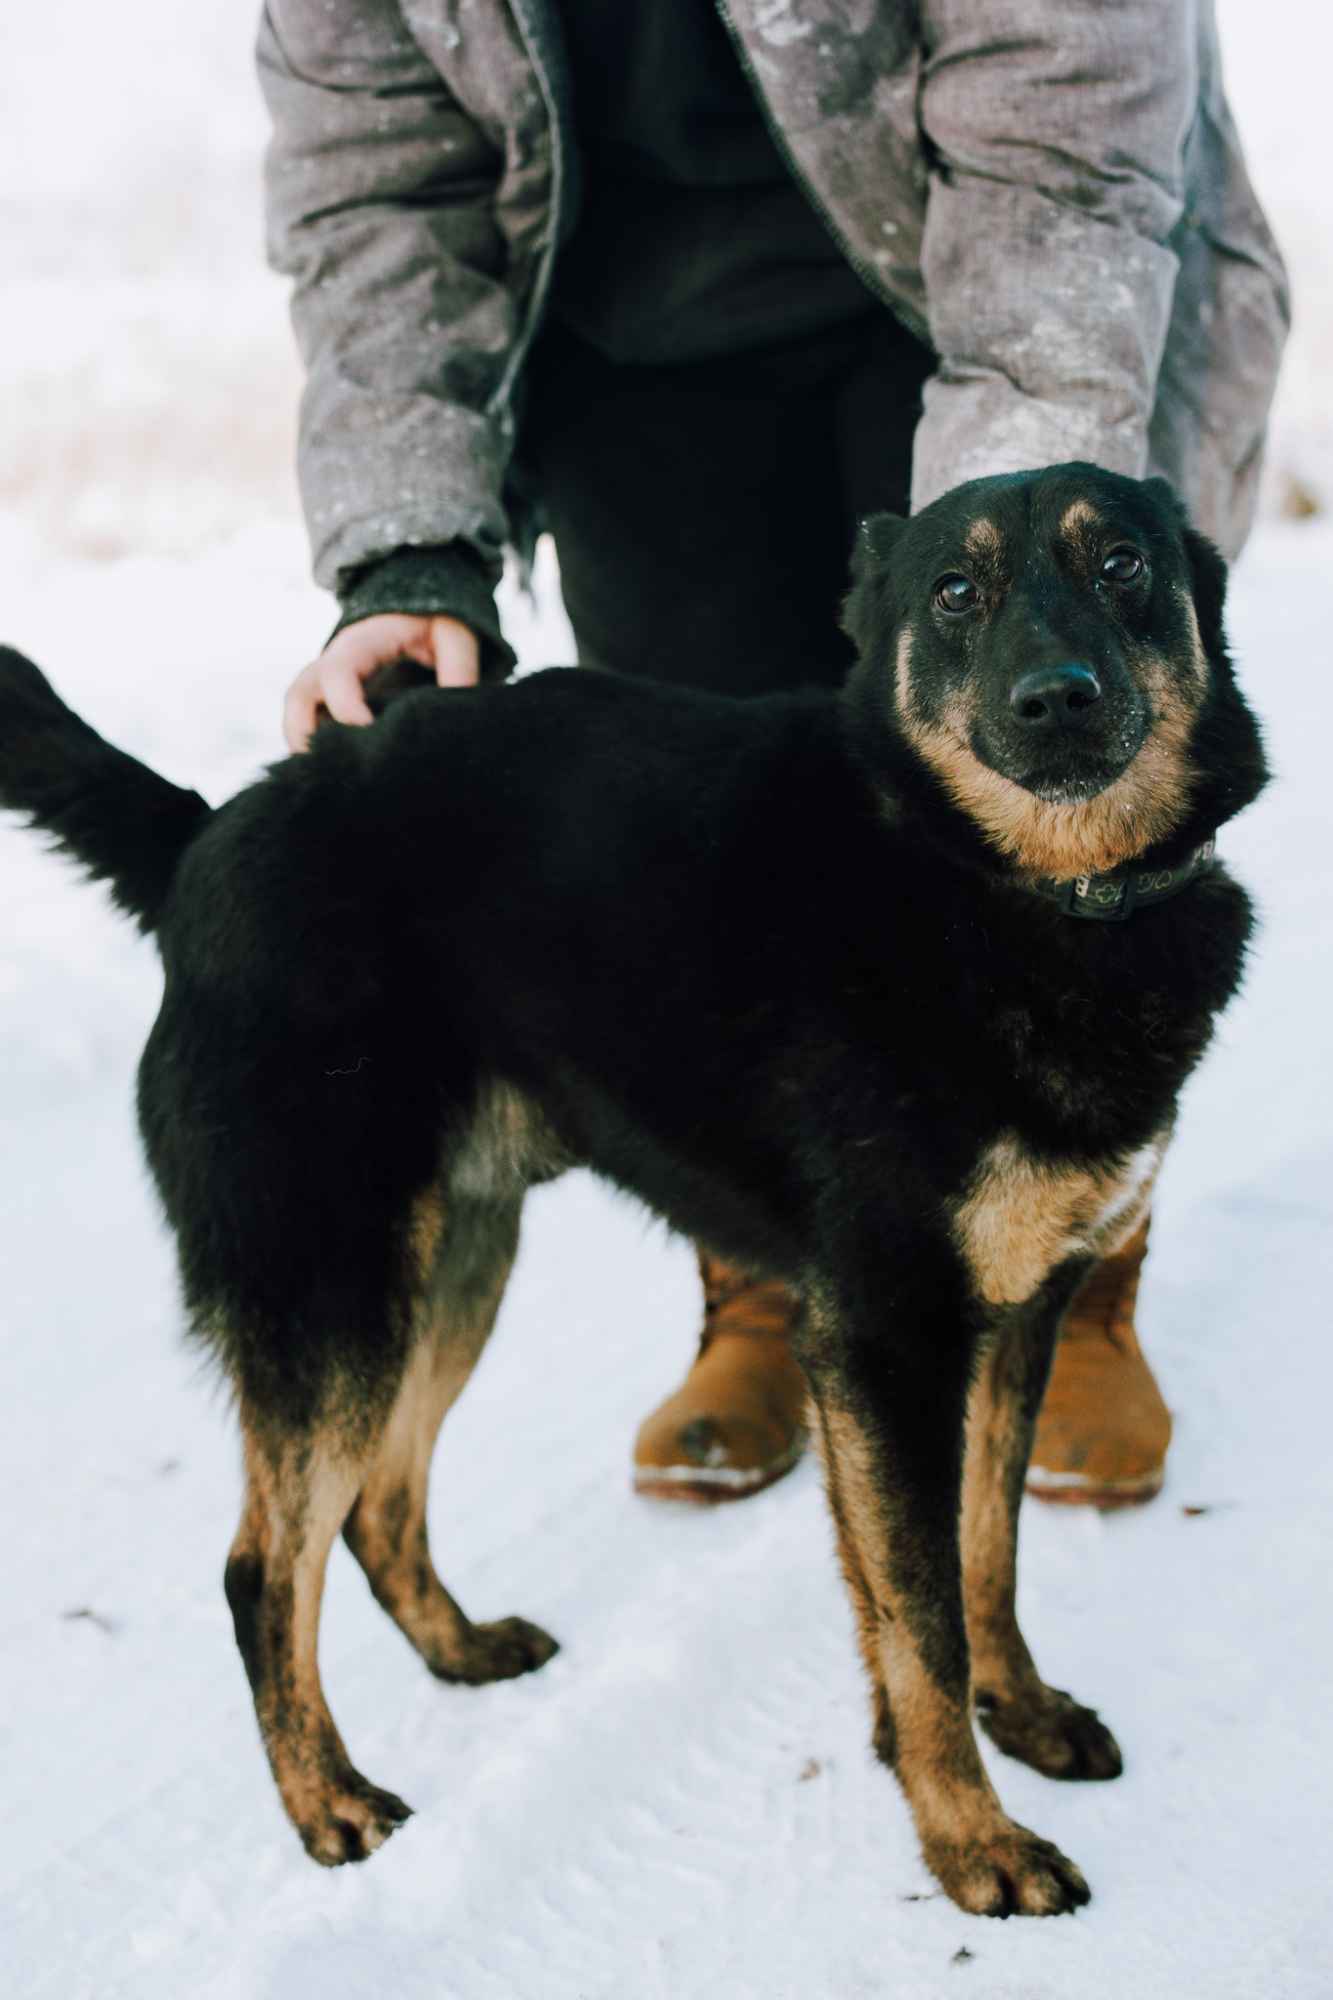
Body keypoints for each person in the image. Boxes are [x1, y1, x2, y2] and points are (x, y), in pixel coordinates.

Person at [258, 1, 1287, 1510]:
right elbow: (374, 190)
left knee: (1042, 800)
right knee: (730, 863)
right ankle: (775, 1271)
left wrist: (1002, 591)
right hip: (634, 351)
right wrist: (409, 557)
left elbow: (1058, 147)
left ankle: (1069, 1284)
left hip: (1015, 284)